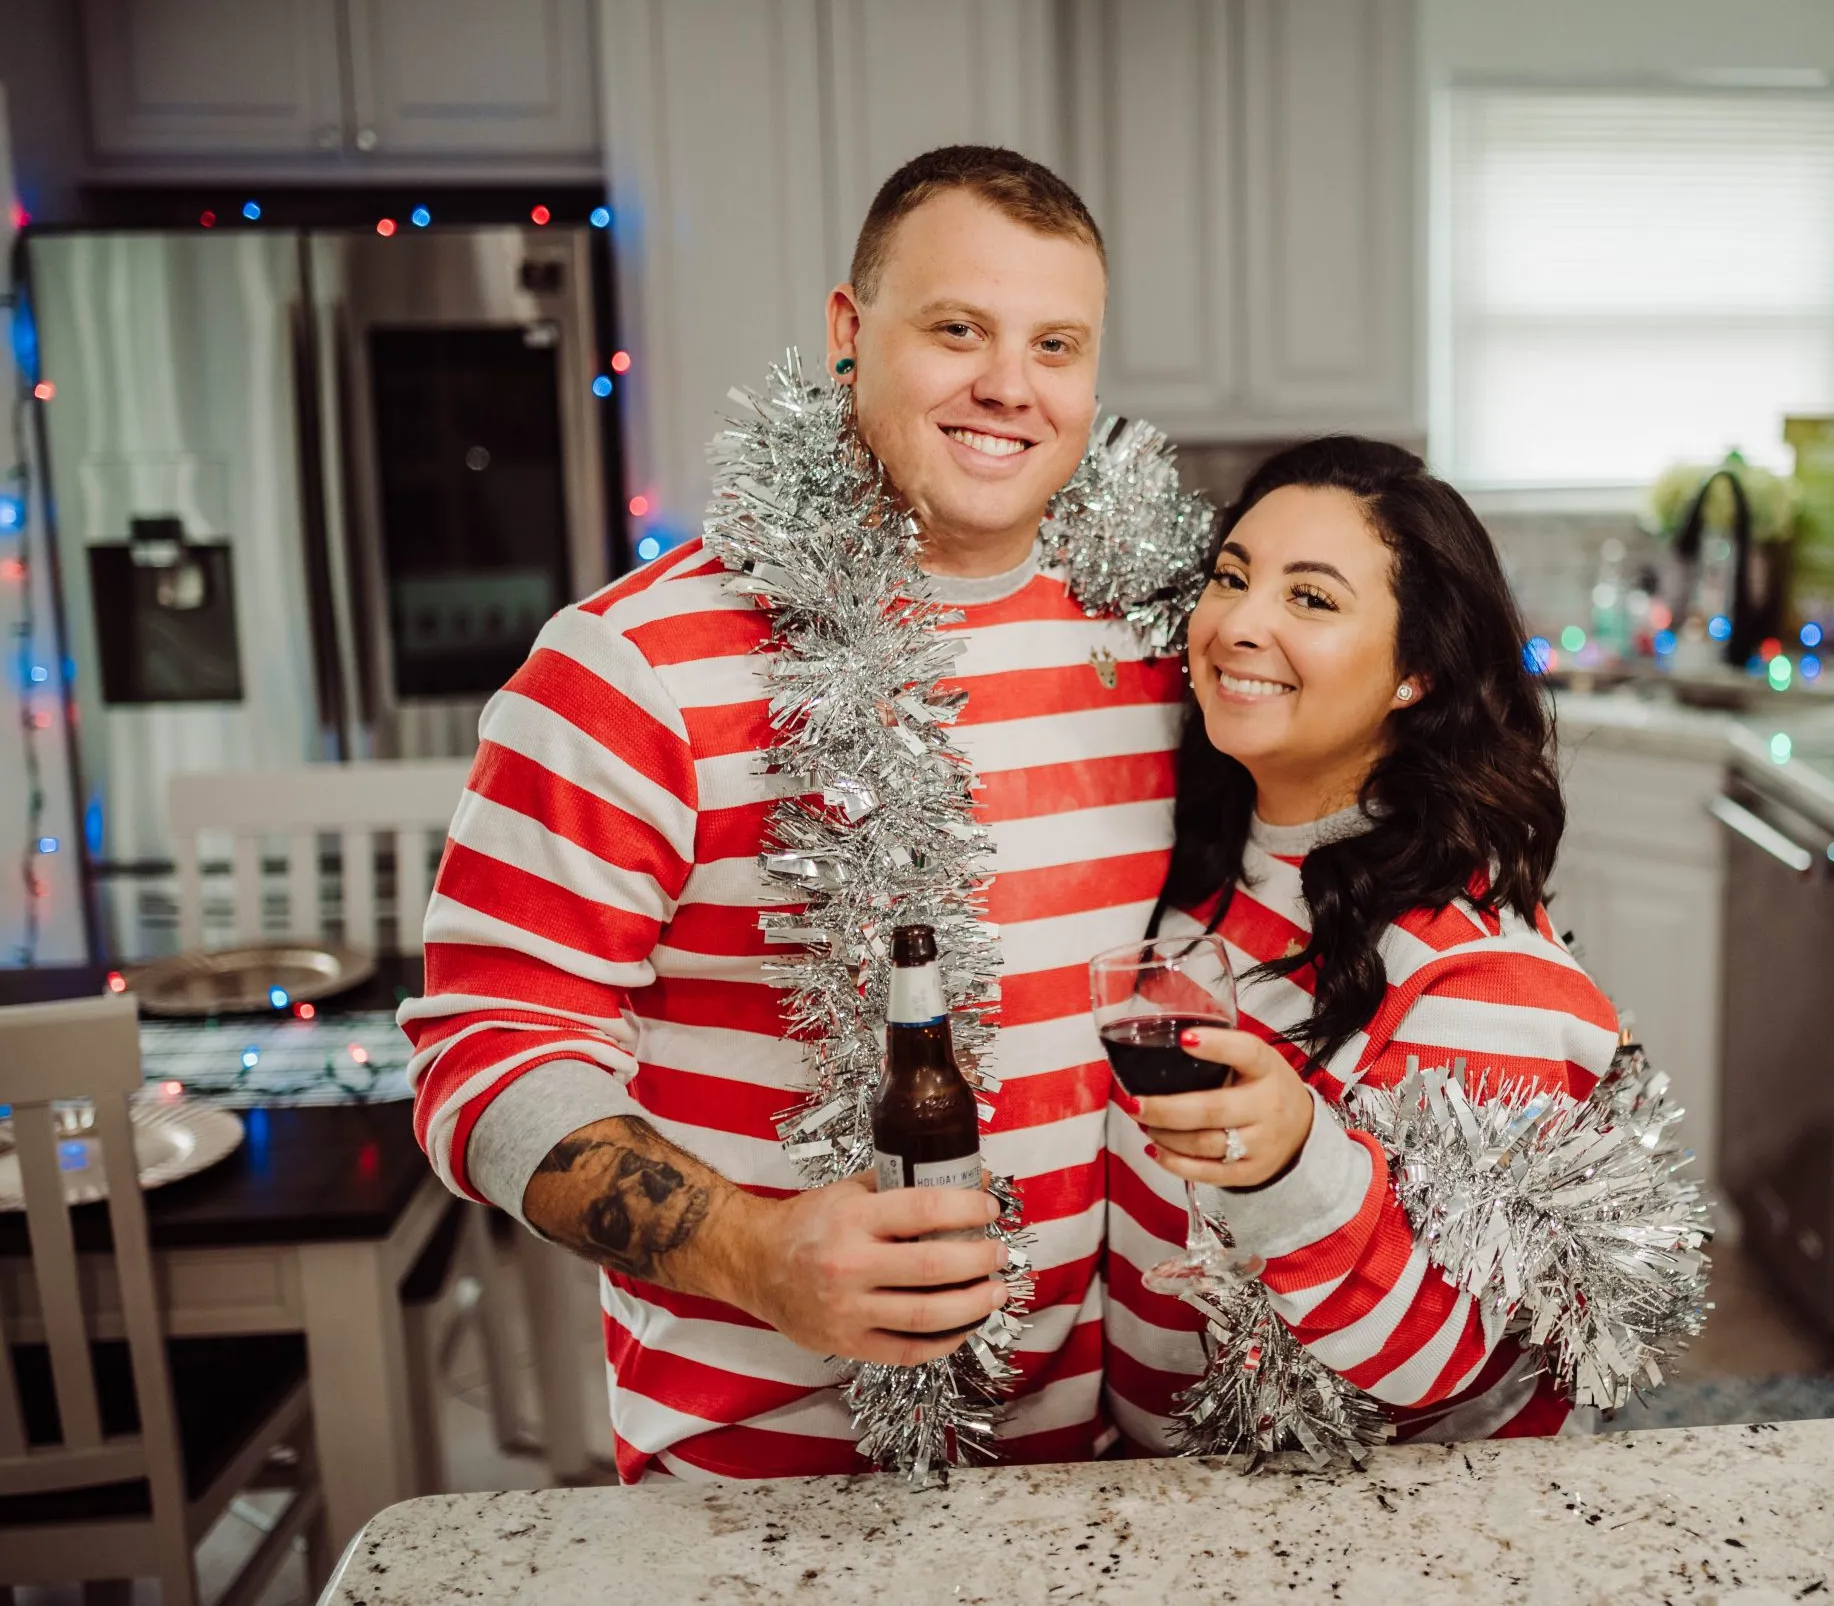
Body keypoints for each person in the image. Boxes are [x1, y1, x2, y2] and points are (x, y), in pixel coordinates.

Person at [400, 147, 1187, 1479]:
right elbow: (484, 1058)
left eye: (1056, 343)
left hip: (1105, 1473)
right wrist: (754, 1254)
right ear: (847, 331)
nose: (1011, 384)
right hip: (756, 1485)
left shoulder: (1164, 649)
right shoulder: (630, 668)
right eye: (957, 329)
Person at [1103, 437, 1624, 1452]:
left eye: (1312, 599)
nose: (1239, 623)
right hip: (1165, 1499)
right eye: (1231, 576)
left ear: (1415, 674)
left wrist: (1288, 1153)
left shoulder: (1486, 973)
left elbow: (1444, 1354)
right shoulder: (1204, 870)